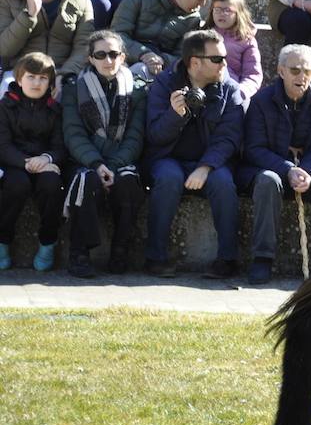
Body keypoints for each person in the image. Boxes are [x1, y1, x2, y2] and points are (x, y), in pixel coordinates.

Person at [143, 29, 246, 279]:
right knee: (168, 178)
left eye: (225, 57)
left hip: (211, 162)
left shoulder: (230, 89)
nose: (225, 63)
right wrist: (174, 116)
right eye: (218, 59)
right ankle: (155, 258)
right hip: (168, 158)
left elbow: (229, 138)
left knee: (223, 183)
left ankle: (227, 260)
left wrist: (206, 166)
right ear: (195, 62)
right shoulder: (165, 84)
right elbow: (155, 136)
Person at [237, 43, 311, 284]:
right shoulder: (261, 101)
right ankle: (263, 259)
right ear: (281, 71)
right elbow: (254, 148)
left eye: (308, 72)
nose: (302, 77)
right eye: (295, 70)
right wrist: (287, 169)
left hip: (305, 171)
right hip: (268, 170)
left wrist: (307, 171)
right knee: (268, 181)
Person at [61, 30, 147, 277]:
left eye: (113, 54)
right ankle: (79, 253)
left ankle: (120, 250)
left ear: (123, 57)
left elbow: (135, 137)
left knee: (128, 182)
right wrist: (98, 165)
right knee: (85, 181)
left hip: (121, 160)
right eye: (101, 55)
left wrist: (113, 164)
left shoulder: (138, 91)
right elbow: (73, 134)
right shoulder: (74, 89)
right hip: (84, 160)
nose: (108, 60)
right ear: (90, 58)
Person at [0, 52, 63, 272]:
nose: (37, 82)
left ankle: (47, 243)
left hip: (45, 164)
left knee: (51, 185)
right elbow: (3, 145)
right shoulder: (5, 106)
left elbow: (59, 146)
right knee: (17, 185)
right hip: (15, 164)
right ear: (19, 79)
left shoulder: (54, 110)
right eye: (31, 77)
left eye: (43, 78)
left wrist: (46, 159)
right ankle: (2, 242)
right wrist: (26, 162)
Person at [112, 0, 214, 81]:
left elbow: (183, 56)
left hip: (162, 69)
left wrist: (161, 59)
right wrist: (143, 54)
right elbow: (117, 35)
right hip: (126, 59)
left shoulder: (193, 19)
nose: (203, 4)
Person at [208, 0, 262, 98]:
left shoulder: (246, 40)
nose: (221, 14)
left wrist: (241, 92)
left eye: (227, 10)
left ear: (238, 13)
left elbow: (252, 74)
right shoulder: (203, 35)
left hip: (232, 92)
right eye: (217, 10)